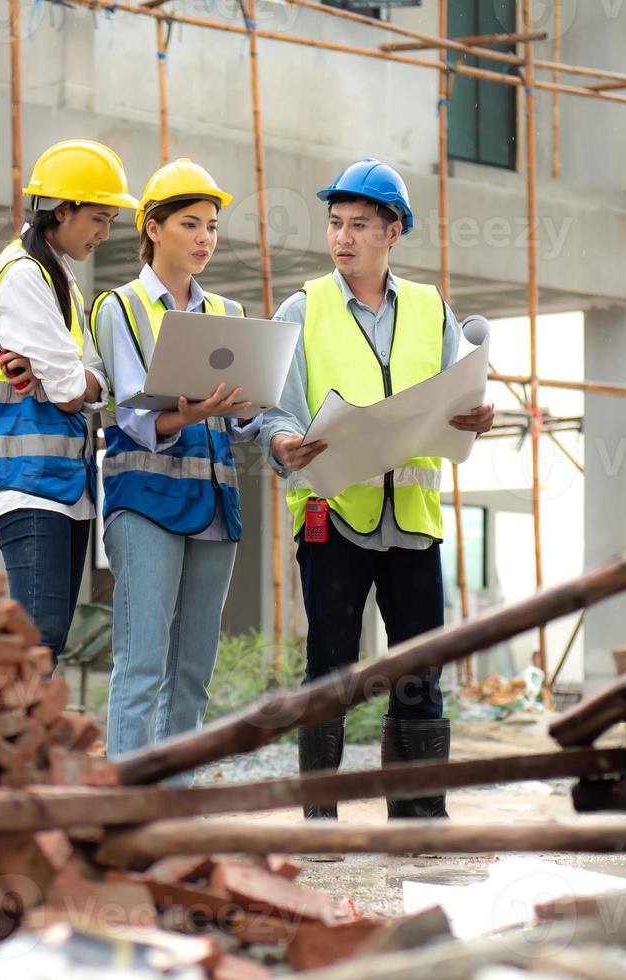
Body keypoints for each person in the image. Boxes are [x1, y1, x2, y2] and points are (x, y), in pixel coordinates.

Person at [259, 157, 495, 820]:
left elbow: (461, 390)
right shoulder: (302, 308)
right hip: (332, 515)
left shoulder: (430, 310)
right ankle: (320, 816)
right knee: (330, 672)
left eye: (359, 224)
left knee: (420, 670)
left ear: (393, 231)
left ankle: (420, 817)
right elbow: (274, 409)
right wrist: (280, 442)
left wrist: (480, 414)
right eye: (335, 224)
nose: (342, 237)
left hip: (414, 519)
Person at [89, 159, 257, 779]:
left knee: (192, 670)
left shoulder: (230, 314)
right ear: (153, 227)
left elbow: (242, 424)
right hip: (144, 502)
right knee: (140, 664)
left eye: (212, 226)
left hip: (213, 504)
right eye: (190, 223)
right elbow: (131, 416)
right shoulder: (121, 307)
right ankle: (128, 808)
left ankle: (176, 807)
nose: (205, 238)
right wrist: (191, 413)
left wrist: (240, 411)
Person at [0, 139, 138, 667]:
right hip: (25, 481)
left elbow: (92, 381)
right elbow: (70, 389)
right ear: (63, 211)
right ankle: (6, 744)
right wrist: (78, 382)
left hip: (60, 483)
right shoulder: (22, 276)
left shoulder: (56, 275)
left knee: (46, 638)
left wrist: (81, 381)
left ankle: (16, 744)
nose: (105, 233)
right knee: (38, 638)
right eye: (99, 219)